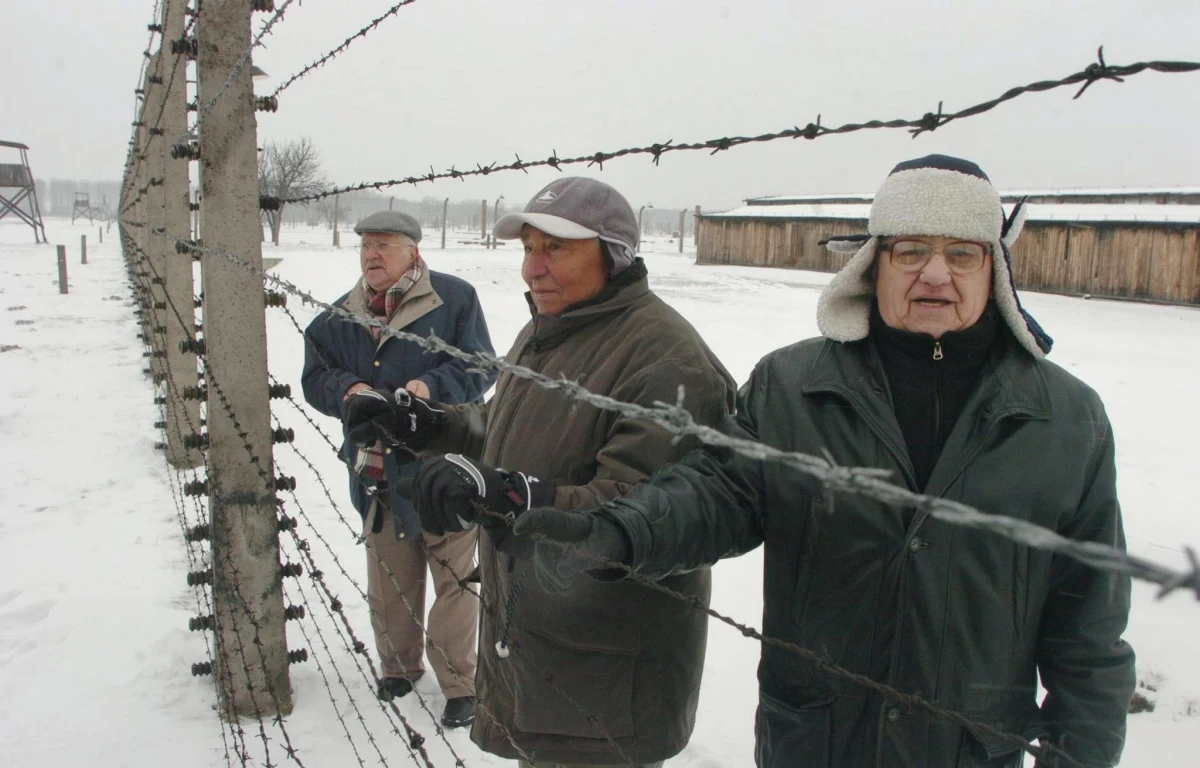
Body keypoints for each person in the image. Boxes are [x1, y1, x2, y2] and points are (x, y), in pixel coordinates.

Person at [511, 155, 1137, 767]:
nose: (936, 275)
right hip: (815, 740)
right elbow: (717, 493)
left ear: (993, 270)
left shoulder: (1064, 418)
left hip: (969, 748)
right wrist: (619, 530)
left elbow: (1088, 635)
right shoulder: (795, 386)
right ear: (874, 264)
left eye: (962, 254)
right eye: (910, 251)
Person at [343, 177, 737, 767]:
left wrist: (516, 497)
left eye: (556, 249)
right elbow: (513, 426)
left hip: (606, 674)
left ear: (614, 254)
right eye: (529, 248)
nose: (532, 269)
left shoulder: (665, 360)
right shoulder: (552, 329)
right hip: (538, 643)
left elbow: (642, 515)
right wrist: (433, 426)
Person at [301, 210, 496, 729]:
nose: (371, 254)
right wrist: (348, 392)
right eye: (365, 244)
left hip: (445, 470)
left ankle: (459, 683)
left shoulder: (454, 300)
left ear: (413, 250)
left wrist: (428, 391)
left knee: (456, 580)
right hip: (377, 469)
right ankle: (398, 668)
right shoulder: (340, 315)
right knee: (389, 574)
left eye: (384, 244)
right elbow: (315, 372)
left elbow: (481, 364)